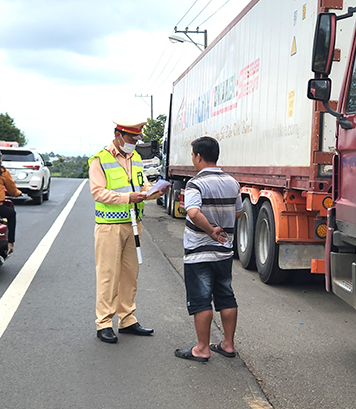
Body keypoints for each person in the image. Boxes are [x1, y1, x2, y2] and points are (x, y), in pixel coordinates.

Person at [89, 120, 167, 344]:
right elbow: (98, 192)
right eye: (131, 139)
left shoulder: (137, 159)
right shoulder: (100, 159)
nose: (134, 143)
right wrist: (127, 198)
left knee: (130, 275)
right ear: (118, 135)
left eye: (137, 139)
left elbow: (139, 187)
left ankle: (127, 319)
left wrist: (152, 192)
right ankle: (104, 323)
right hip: (109, 226)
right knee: (107, 276)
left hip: (134, 223)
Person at [174, 136, 242, 362]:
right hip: (224, 252)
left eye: (193, 155)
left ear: (198, 156)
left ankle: (202, 348)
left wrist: (211, 229)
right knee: (226, 296)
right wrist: (221, 225)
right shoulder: (233, 182)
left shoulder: (195, 184)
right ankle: (228, 344)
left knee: (201, 299)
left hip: (199, 252)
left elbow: (193, 212)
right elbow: (238, 212)